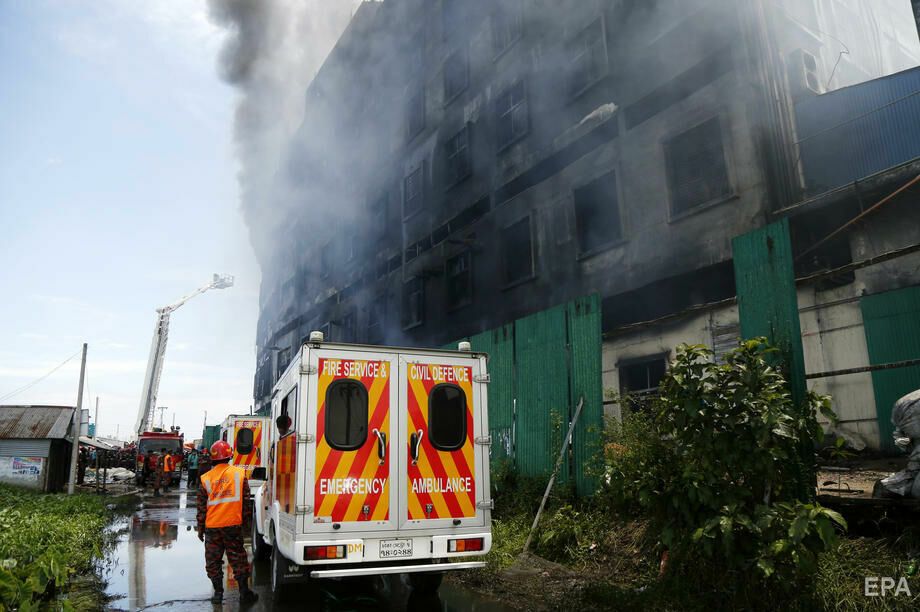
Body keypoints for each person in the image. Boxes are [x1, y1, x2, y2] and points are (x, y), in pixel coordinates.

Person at [197, 440, 258, 604]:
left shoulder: (205, 478)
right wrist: (246, 524)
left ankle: (218, 593)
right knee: (238, 559)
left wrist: (200, 529)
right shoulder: (239, 474)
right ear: (229, 456)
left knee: (213, 561)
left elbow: (201, 508)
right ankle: (244, 593)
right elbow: (246, 503)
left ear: (212, 458)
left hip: (212, 527)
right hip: (233, 525)